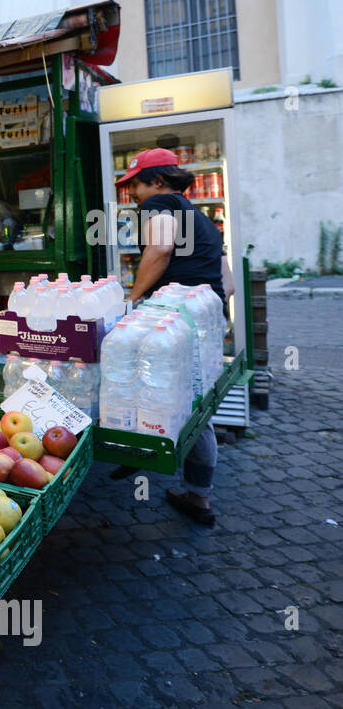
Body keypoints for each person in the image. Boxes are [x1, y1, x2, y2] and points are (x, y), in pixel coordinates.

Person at [117, 147, 232, 525]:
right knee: (191, 404)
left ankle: (196, 498)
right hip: (204, 319)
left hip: (178, 323)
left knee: (185, 406)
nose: (132, 192)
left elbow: (161, 247)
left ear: (159, 181)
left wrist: (130, 301)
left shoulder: (160, 203)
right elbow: (227, 283)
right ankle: (150, 459)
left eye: (135, 183)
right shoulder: (199, 216)